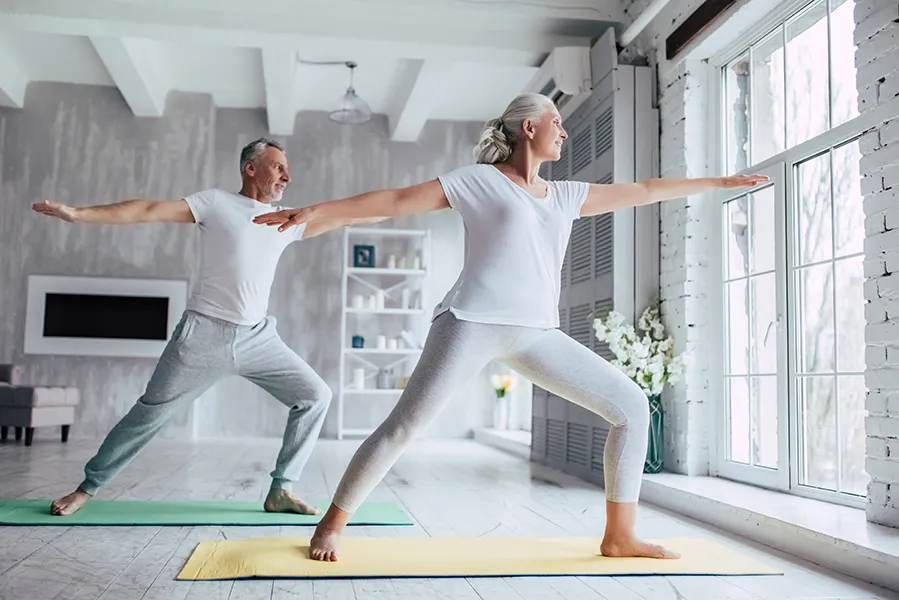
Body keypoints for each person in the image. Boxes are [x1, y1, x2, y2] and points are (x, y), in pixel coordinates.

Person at [254, 93, 767, 561]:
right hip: (469, 323)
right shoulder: (479, 181)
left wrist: (720, 183)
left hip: (535, 334)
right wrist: (316, 212)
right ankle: (332, 525)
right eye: (557, 124)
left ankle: (619, 535)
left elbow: (647, 189)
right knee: (405, 427)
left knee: (631, 407)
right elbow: (394, 201)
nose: (564, 133)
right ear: (528, 128)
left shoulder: (564, 196)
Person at [33, 138, 371, 517]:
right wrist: (78, 214)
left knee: (316, 396)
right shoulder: (216, 203)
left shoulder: (288, 220)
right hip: (202, 335)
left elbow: (353, 216)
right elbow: (147, 209)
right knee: (149, 415)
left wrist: (408, 207)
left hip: (259, 338)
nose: (286, 176)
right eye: (278, 167)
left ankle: (281, 490)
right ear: (251, 168)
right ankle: (86, 488)